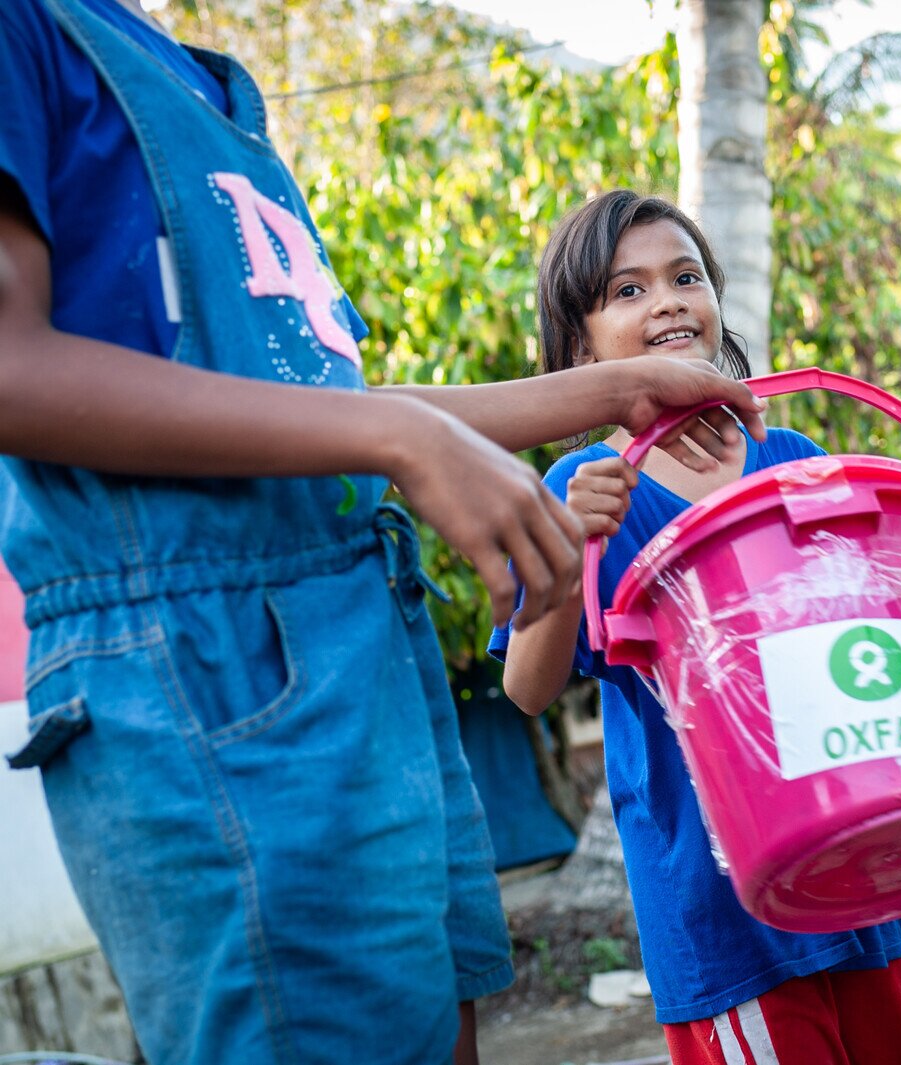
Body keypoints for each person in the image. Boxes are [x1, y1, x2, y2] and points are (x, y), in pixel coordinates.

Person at [0, 4, 769, 1063]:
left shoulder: (197, 82)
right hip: (206, 661)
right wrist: (401, 439)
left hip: (364, 637)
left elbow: (320, 403)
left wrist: (614, 388)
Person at [495, 189, 901, 1065]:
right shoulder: (583, 489)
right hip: (725, 914)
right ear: (581, 348)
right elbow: (527, 688)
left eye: (685, 277)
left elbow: (879, 628)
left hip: (851, 865)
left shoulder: (796, 460)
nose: (666, 302)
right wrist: (571, 550)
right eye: (627, 290)